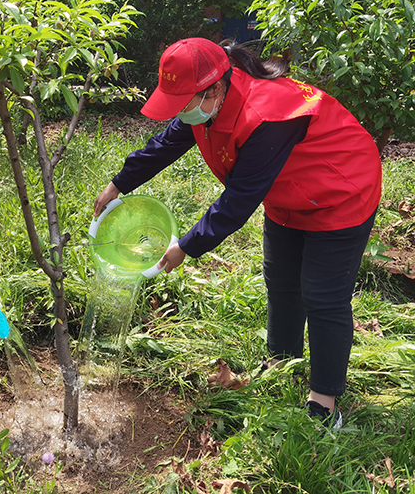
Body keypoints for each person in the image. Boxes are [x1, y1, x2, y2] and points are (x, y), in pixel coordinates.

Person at [94, 37, 381, 428]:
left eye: (184, 103)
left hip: (340, 192)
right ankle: (282, 362)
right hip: (287, 193)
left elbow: (239, 200)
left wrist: (187, 246)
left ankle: (324, 402)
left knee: (323, 295)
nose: (181, 114)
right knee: (281, 281)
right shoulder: (207, 104)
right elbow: (164, 145)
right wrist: (118, 183)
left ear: (214, 88)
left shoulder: (268, 116)